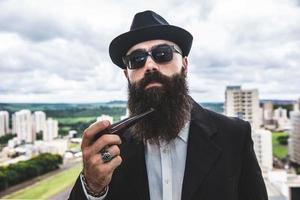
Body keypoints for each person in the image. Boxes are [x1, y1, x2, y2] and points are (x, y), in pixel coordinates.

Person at [69, 10, 268, 200]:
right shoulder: (112, 147)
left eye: (162, 54)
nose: (149, 65)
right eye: (136, 60)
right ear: (126, 75)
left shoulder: (233, 135)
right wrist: (92, 187)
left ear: (184, 65)